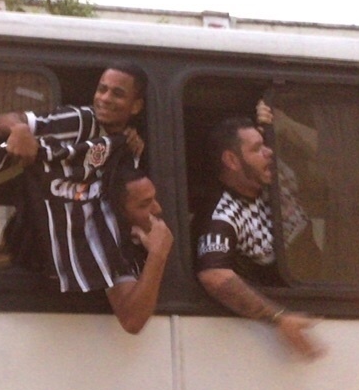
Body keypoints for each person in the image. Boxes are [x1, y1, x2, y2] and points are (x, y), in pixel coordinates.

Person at [0, 62, 148, 294]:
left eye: (117, 93)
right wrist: (20, 130)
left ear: (136, 106)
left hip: (88, 270)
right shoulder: (79, 120)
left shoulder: (128, 147)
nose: (104, 98)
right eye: (101, 89)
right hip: (38, 260)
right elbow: (5, 119)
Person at [192, 117, 326, 359]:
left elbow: (327, 157)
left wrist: (278, 120)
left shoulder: (279, 179)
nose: (269, 153)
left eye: (265, 144)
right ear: (232, 160)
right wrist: (278, 318)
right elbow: (214, 274)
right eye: (256, 149)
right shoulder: (223, 214)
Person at [104, 159, 174, 334]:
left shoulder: (144, 238)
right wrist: (157, 254)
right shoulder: (109, 248)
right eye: (144, 205)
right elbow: (132, 321)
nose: (157, 209)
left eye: (154, 199)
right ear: (120, 213)